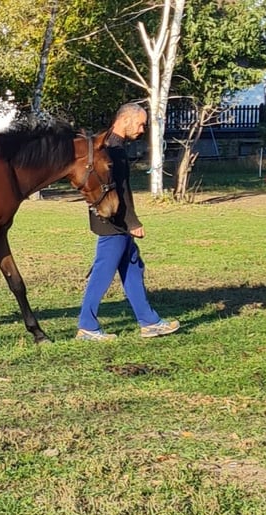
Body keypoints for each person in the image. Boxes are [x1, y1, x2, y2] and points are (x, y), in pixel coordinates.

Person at [75, 102, 180, 341]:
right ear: (124, 120)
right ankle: (87, 325)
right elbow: (120, 191)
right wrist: (132, 222)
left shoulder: (112, 145)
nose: (142, 129)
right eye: (140, 123)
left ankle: (150, 322)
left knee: (133, 268)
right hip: (114, 221)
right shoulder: (113, 149)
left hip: (114, 219)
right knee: (103, 271)